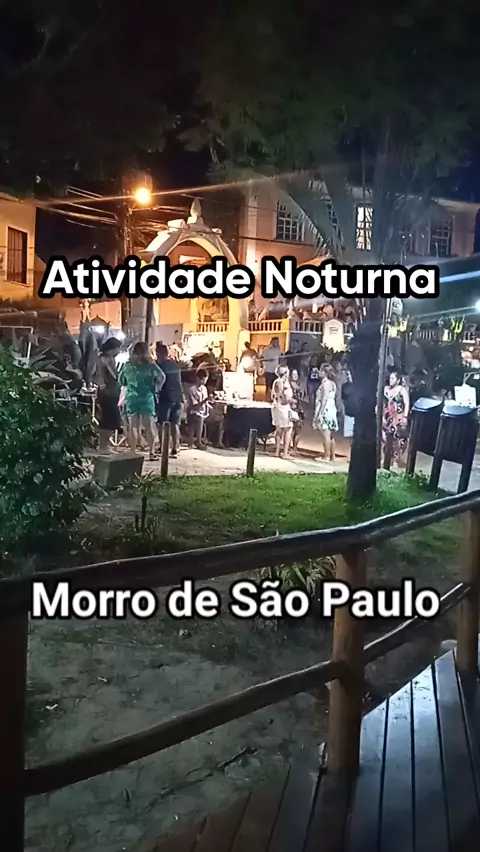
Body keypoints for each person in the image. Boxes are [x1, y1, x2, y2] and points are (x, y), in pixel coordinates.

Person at [119, 342, 165, 460]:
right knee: (149, 426)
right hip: (147, 397)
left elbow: (121, 380)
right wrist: (156, 388)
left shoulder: (127, 365)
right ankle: (152, 452)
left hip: (132, 397)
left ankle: (133, 451)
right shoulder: (151, 365)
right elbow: (162, 377)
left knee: (133, 426)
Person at [155, 343, 184, 459]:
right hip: (178, 397)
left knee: (162, 423)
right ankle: (175, 448)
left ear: (158, 353)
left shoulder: (159, 365)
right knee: (174, 424)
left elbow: (157, 380)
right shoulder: (175, 365)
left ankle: (162, 447)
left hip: (165, 397)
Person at [97, 338, 122, 453]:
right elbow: (109, 375)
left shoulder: (107, 358)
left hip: (110, 392)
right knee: (109, 419)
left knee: (108, 419)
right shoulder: (105, 359)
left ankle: (104, 445)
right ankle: (103, 446)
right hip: (108, 393)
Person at [382, 371, 410, 467]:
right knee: (384, 437)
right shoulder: (385, 389)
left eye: (393, 378)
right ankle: (386, 457)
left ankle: (396, 459)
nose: (390, 380)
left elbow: (406, 404)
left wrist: (405, 416)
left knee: (397, 438)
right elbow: (381, 401)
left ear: (398, 380)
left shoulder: (402, 390)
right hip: (386, 416)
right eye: (390, 378)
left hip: (397, 417)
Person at [313, 365, 339, 461]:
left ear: (325, 372)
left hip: (326, 409)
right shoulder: (333, 383)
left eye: (321, 370)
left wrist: (320, 412)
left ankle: (327, 456)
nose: (319, 372)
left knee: (326, 433)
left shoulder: (326, 384)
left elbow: (324, 399)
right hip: (331, 408)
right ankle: (332, 455)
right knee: (330, 434)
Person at [271, 364, 294, 458]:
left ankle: (277, 451)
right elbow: (285, 398)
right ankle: (285, 452)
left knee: (278, 430)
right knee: (288, 429)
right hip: (283, 407)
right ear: (285, 373)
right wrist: (292, 401)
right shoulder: (284, 383)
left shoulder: (275, 381)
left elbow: (272, 395)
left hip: (276, 406)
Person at [187, 369, 211, 449]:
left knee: (219, 417)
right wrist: (205, 400)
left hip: (203, 411)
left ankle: (199, 439)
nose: (204, 382)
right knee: (198, 418)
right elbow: (195, 406)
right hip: (193, 411)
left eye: (205, 380)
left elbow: (206, 403)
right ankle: (198, 441)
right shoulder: (192, 390)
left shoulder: (204, 389)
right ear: (197, 378)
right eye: (203, 380)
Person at [289, 368, 305, 453]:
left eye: (296, 374)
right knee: (290, 430)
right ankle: (288, 448)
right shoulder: (289, 385)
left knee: (298, 430)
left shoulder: (299, 385)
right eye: (293, 374)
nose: (295, 376)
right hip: (292, 409)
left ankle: (294, 448)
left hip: (299, 409)